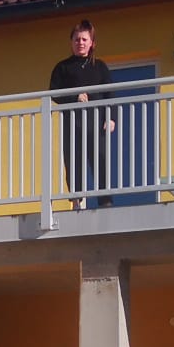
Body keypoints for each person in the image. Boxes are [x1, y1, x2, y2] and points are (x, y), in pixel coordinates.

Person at [49, 19, 113, 207]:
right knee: (73, 160)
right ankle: (77, 201)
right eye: (77, 39)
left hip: (96, 121)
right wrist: (74, 98)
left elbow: (111, 93)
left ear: (92, 42)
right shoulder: (63, 68)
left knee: (100, 159)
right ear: (71, 42)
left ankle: (105, 201)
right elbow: (54, 93)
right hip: (73, 122)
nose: (80, 43)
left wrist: (111, 118)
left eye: (84, 39)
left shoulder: (100, 66)